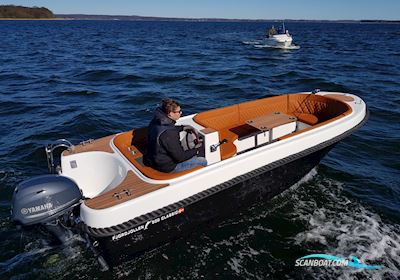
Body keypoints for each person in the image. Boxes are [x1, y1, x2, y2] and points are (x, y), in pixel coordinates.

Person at [143, 99, 207, 173]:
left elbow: (167, 129)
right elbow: (180, 157)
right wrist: (197, 150)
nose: (181, 113)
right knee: (202, 161)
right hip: (165, 166)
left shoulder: (156, 121)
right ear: (170, 113)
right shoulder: (169, 133)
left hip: (151, 159)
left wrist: (182, 128)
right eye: (178, 111)